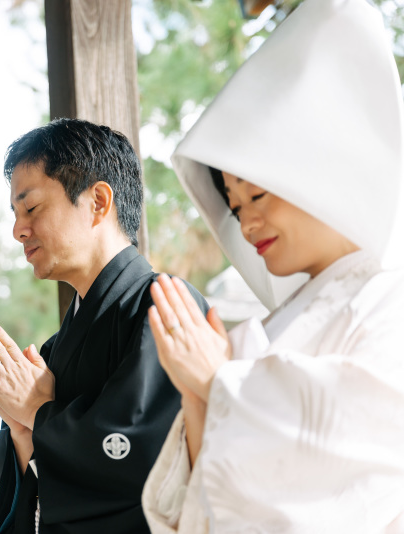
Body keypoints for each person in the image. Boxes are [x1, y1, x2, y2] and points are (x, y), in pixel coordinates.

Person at [140, 0, 404, 531]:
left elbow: (370, 441)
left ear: (323, 168)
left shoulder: (388, 297)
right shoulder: (266, 327)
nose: (247, 221)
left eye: (258, 194)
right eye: (234, 206)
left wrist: (219, 382)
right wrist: (198, 396)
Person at [0, 118, 209, 533]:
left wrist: (36, 413)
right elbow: (26, 479)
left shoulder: (165, 309)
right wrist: (25, 435)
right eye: (15, 213)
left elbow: (143, 458)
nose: (17, 230)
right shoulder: (50, 353)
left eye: (31, 208)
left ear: (98, 202)